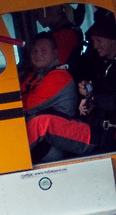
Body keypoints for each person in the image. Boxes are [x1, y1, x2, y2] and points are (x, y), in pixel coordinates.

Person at [74, 11, 116, 153]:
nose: (95, 46)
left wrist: (94, 99)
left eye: (99, 40)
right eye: (93, 41)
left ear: (113, 39)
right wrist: (88, 94)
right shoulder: (105, 64)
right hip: (109, 136)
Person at [19, 34, 91, 162]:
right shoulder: (33, 77)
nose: (37, 54)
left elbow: (27, 105)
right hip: (39, 138)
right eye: (34, 51)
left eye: (43, 50)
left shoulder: (60, 77)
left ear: (55, 53)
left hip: (52, 142)